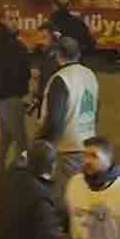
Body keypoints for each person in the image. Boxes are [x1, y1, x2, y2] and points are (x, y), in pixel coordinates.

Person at [37, 35, 99, 191]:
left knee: (66, 196)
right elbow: (96, 109)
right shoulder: (90, 75)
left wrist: (42, 142)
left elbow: (55, 120)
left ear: (58, 55)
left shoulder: (61, 78)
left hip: (67, 148)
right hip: (88, 142)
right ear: (78, 54)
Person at [0, 7, 32, 186]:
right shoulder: (12, 45)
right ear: (3, 21)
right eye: (11, 18)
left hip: (2, 96)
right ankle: (20, 178)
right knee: (21, 142)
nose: (15, 21)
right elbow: (18, 72)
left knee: (6, 137)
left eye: (16, 18)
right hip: (12, 97)